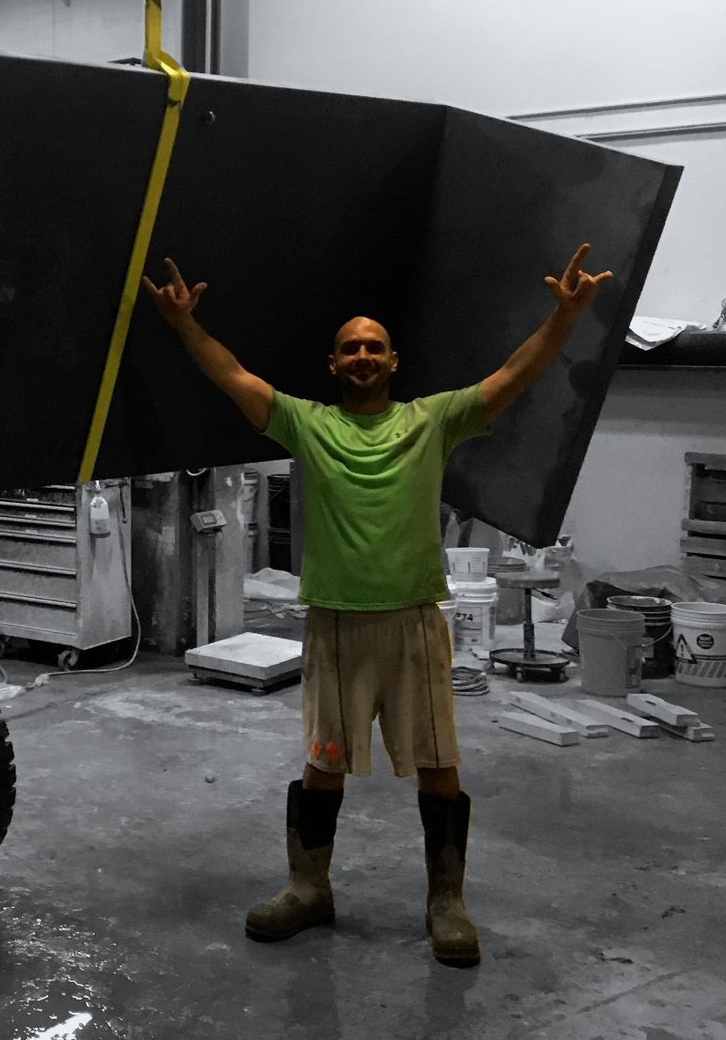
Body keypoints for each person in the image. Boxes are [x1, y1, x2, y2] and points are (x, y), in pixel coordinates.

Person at [140, 244, 613, 968]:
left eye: (375, 346)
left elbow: (515, 377)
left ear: (393, 362)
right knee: (322, 763)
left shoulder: (434, 420)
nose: (362, 354)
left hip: (415, 621)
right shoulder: (306, 423)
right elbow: (233, 376)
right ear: (332, 365)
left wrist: (565, 318)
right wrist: (183, 326)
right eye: (349, 348)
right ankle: (308, 888)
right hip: (334, 620)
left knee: (439, 766)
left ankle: (447, 903)